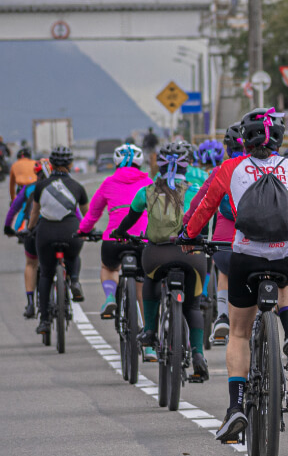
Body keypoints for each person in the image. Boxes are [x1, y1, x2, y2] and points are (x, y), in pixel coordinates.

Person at [183, 107, 288, 443]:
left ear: (243, 140)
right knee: (287, 281)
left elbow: (206, 206)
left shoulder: (229, 168)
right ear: (280, 140)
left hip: (246, 257)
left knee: (238, 333)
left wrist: (188, 235)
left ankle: (236, 408)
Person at [111, 142, 209, 378]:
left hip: (157, 254)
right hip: (191, 255)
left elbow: (129, 219)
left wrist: (120, 234)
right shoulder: (195, 191)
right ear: (187, 167)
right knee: (193, 305)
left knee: (151, 282)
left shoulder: (147, 191)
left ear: (159, 166)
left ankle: (150, 331)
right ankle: (197, 354)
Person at [183, 123, 244, 343]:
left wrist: (186, 230)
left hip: (225, 239)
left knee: (225, 271)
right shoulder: (268, 167)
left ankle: (222, 315)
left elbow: (202, 203)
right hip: (265, 242)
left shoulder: (222, 170)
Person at [79, 143, 153, 320]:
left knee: (108, 267)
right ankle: (150, 343)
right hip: (141, 241)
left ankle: (110, 296)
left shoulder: (108, 183)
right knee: (142, 290)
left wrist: (82, 230)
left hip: (113, 241)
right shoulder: (148, 183)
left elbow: (92, 214)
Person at [26, 147, 89, 335]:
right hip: (70, 231)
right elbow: (87, 216)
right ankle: (75, 281)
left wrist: (30, 230)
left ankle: (44, 321)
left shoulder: (41, 186)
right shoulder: (78, 187)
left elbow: (35, 213)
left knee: (45, 274)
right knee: (73, 255)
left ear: (51, 165)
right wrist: (89, 232)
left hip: (46, 233)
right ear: (70, 164)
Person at [5, 159, 52, 318]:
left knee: (31, 264)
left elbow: (15, 209)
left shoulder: (28, 189)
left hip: (33, 231)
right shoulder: (60, 186)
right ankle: (65, 292)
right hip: (56, 231)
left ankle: (31, 303)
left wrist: (8, 227)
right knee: (59, 259)